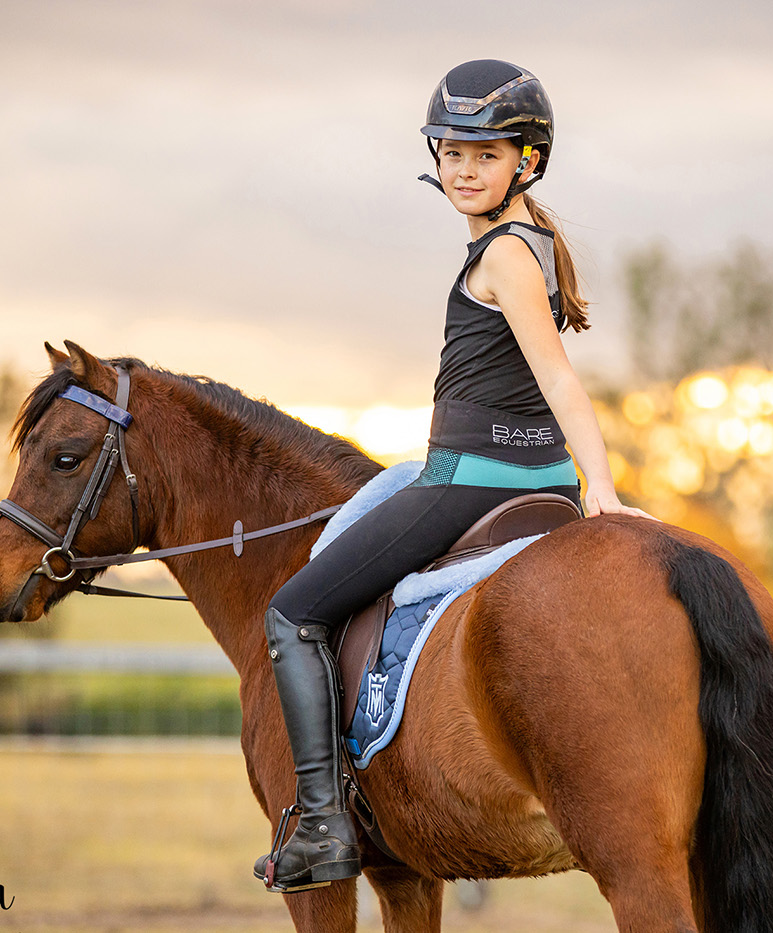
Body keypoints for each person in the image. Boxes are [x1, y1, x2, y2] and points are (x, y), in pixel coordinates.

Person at [254, 58, 655, 894]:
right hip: (525, 476)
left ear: (527, 162)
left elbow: (560, 381)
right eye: (453, 153)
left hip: (476, 480)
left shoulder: (507, 255)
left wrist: (607, 490)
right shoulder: (528, 243)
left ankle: (324, 823)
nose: (466, 169)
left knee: (292, 612)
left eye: (487, 154)